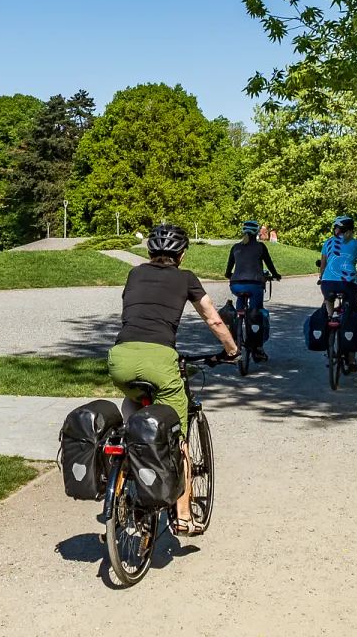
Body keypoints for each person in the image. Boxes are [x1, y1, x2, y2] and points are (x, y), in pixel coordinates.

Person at [109, 224, 238, 536]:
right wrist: (231, 350)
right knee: (176, 439)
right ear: (181, 255)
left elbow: (133, 310)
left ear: (150, 252)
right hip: (161, 363)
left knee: (133, 400)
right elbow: (213, 318)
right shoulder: (186, 278)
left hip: (120, 358)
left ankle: (129, 453)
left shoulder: (135, 274)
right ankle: (182, 516)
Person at [319, 215, 357, 375]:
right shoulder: (355, 243)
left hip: (328, 283)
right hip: (348, 284)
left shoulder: (328, 243)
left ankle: (331, 322)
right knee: (351, 317)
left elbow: (323, 265)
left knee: (328, 303)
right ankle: (351, 360)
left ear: (336, 229)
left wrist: (321, 278)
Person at [223, 220, 279, 362]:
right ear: (257, 233)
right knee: (256, 312)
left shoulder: (236, 247)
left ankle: (235, 334)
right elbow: (269, 264)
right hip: (255, 284)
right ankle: (257, 347)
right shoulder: (260, 247)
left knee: (239, 307)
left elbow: (229, 268)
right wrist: (276, 275)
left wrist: (229, 275)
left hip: (236, 285)